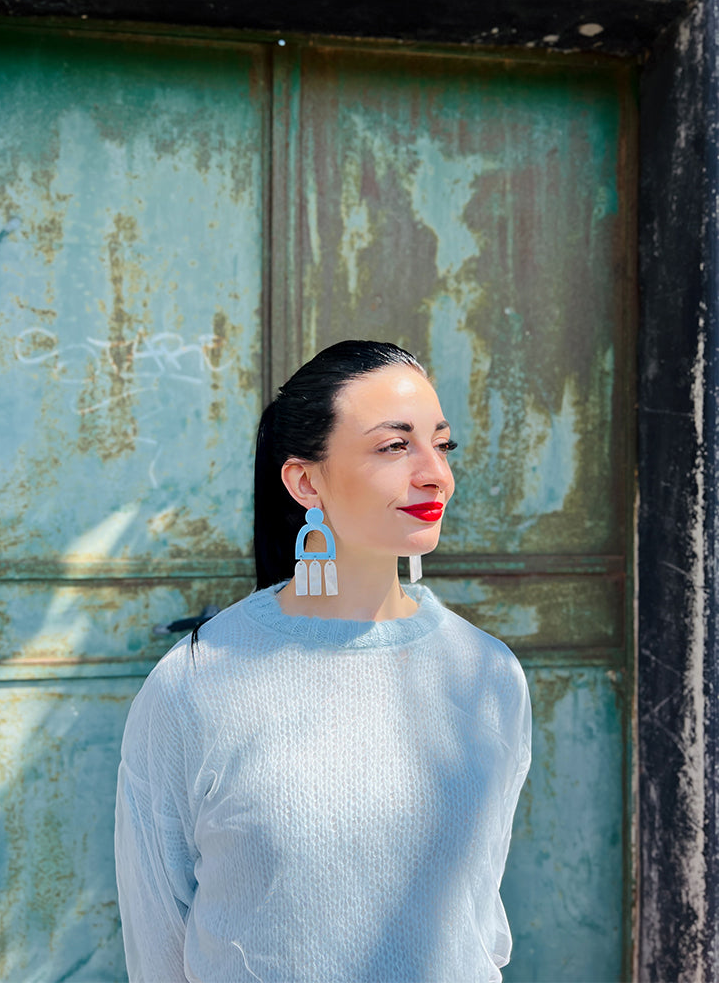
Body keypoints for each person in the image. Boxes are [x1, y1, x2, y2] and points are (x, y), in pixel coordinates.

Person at [115, 340, 531, 983]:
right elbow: (159, 943)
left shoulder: (487, 674)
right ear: (306, 481)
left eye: (441, 444)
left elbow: (478, 921)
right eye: (396, 445)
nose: (435, 474)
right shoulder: (195, 683)